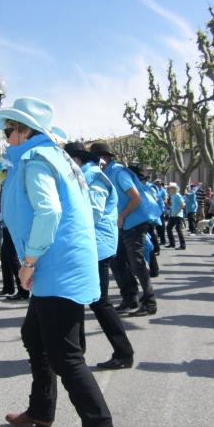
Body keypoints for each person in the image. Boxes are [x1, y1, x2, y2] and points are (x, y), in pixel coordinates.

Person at [0, 97, 113, 427]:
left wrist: (28, 262)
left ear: (26, 131)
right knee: (34, 335)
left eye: (9, 130)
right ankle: (41, 410)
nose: (6, 136)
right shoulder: (54, 156)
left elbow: (49, 211)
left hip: (55, 266)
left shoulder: (36, 159)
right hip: (60, 264)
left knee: (65, 355)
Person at [64, 141, 134, 370]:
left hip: (97, 246)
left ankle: (124, 353)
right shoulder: (87, 176)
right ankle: (77, 350)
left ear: (77, 159)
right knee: (83, 298)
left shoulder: (93, 178)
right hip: (91, 245)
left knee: (100, 301)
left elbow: (92, 213)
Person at [90, 142, 161, 317]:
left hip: (134, 221)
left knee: (136, 262)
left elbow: (135, 198)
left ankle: (149, 302)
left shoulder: (119, 172)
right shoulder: (105, 173)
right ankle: (129, 298)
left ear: (102, 158)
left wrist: (121, 216)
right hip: (122, 223)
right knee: (116, 262)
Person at [165, 182, 186, 250]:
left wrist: (177, 212)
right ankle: (172, 243)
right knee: (168, 228)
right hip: (173, 215)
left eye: (170, 188)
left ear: (174, 189)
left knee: (178, 229)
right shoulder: (172, 196)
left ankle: (183, 245)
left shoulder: (177, 195)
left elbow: (183, 204)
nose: (169, 189)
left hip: (178, 215)